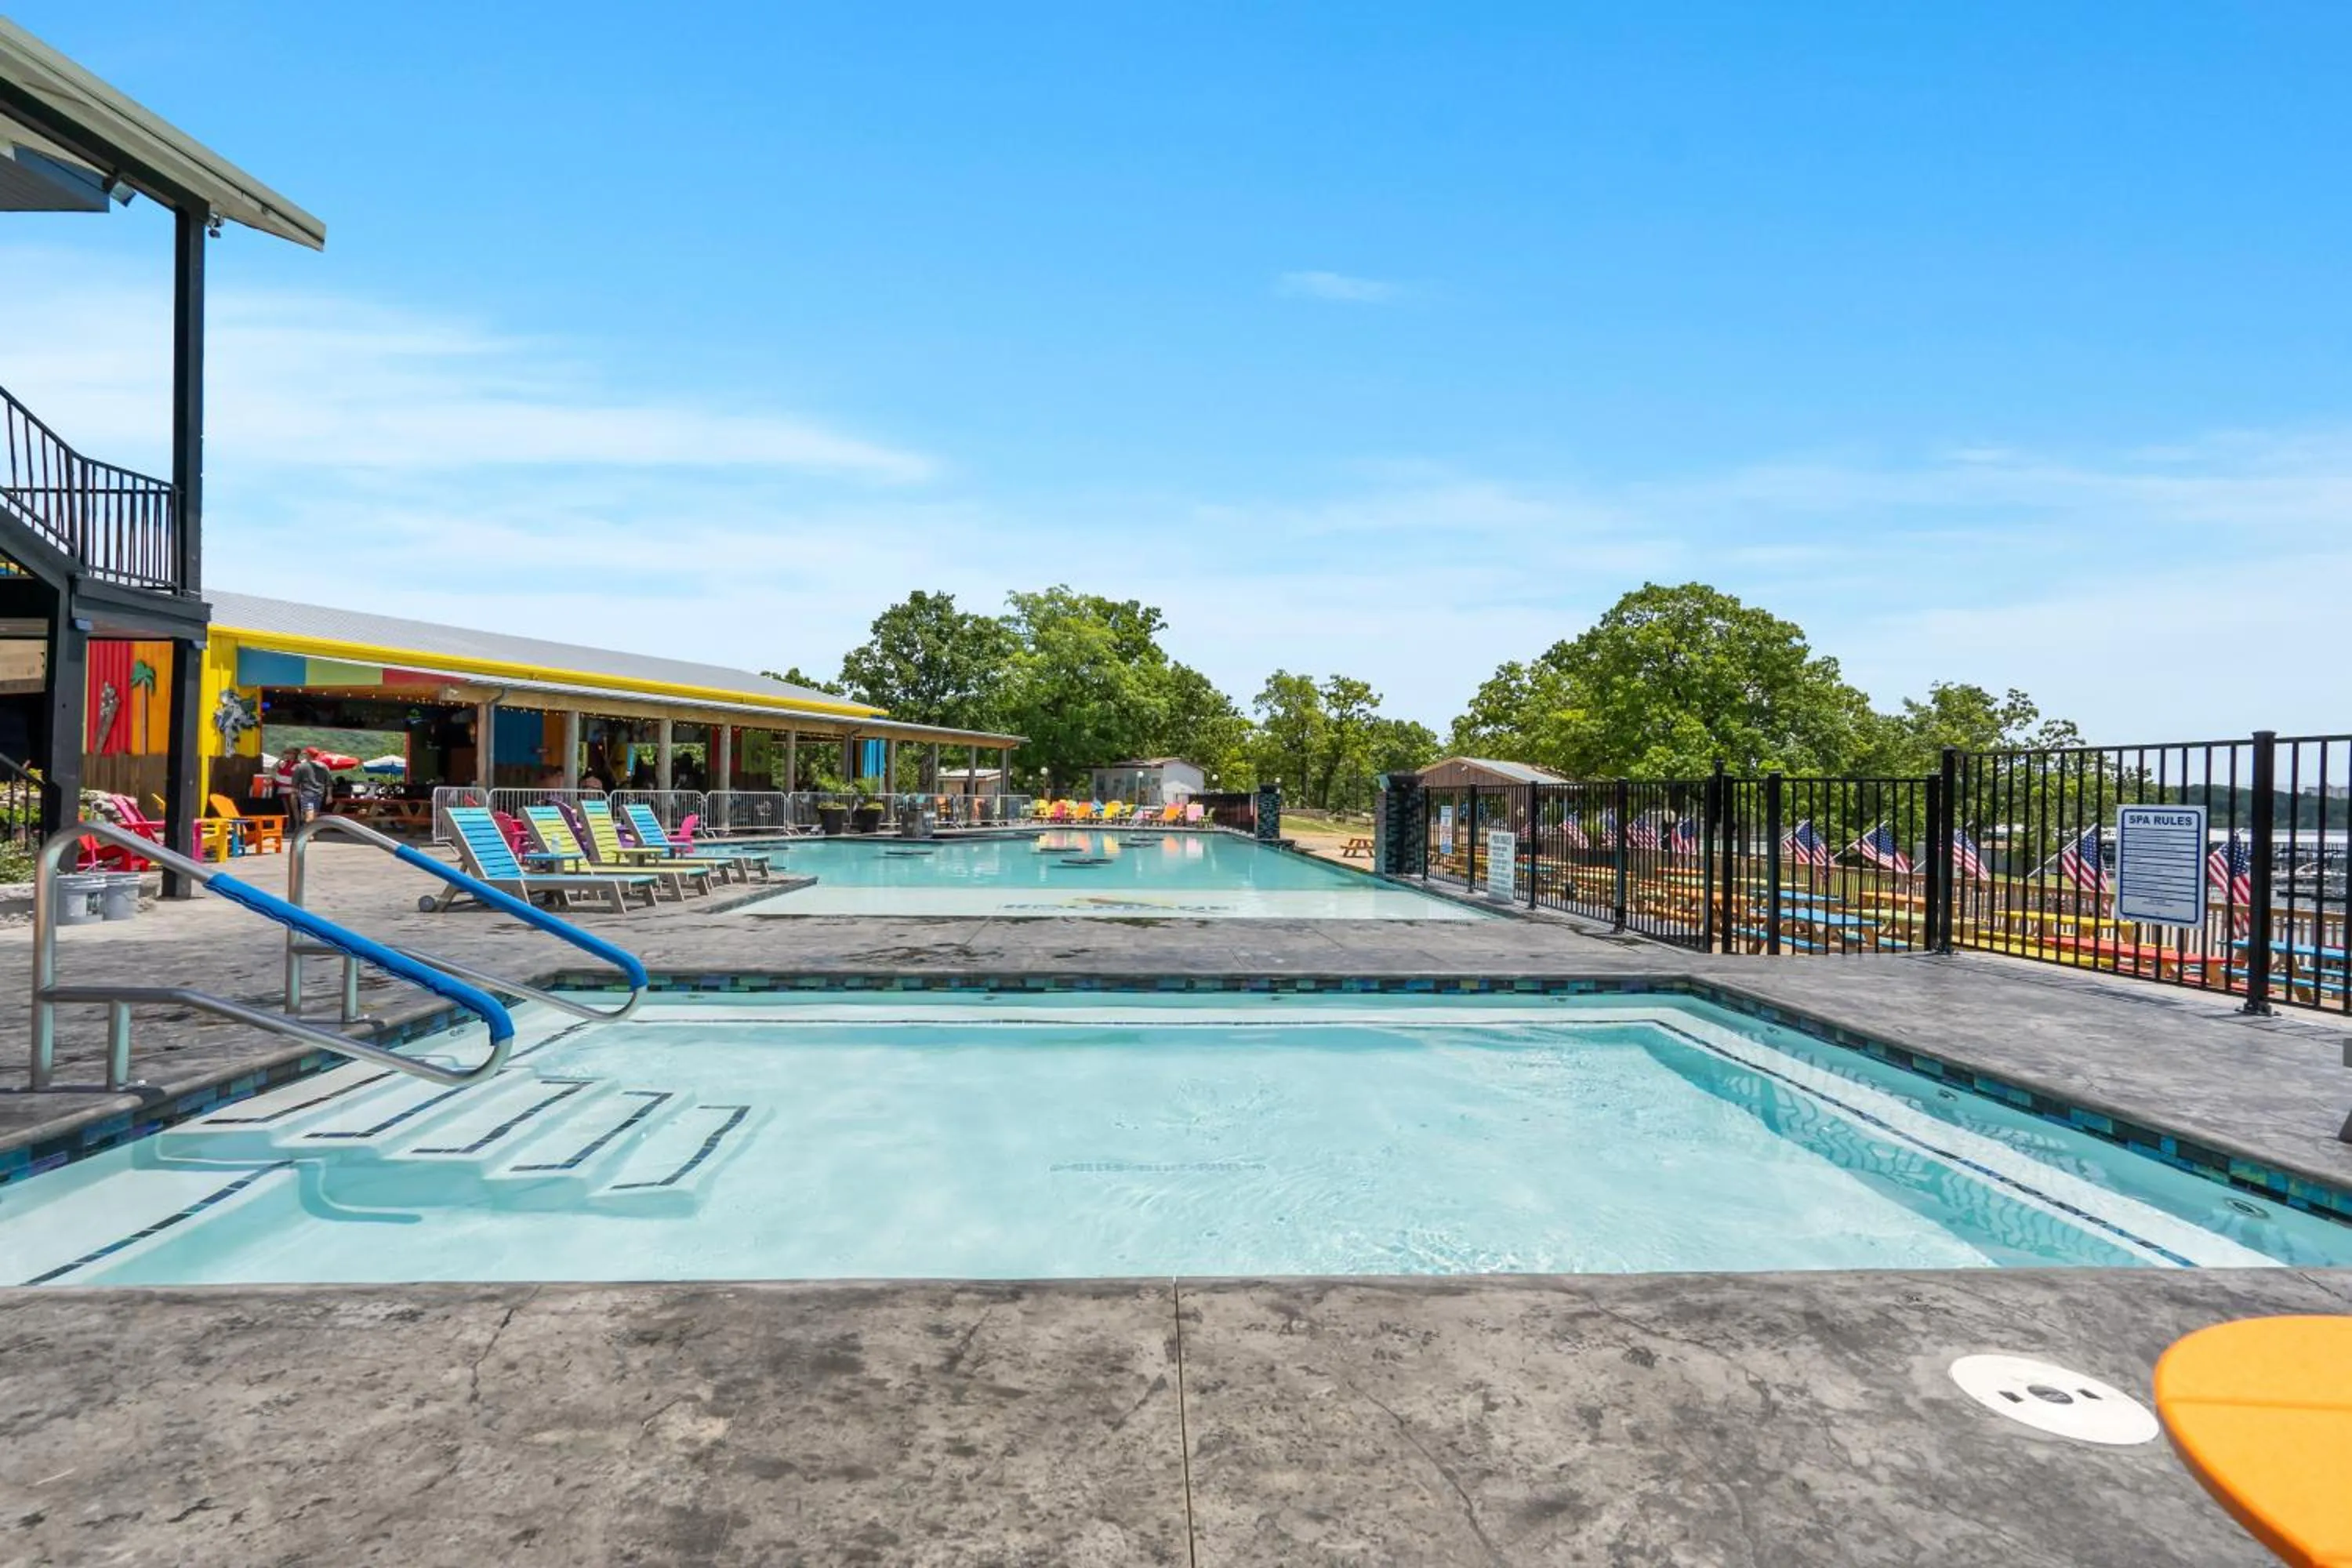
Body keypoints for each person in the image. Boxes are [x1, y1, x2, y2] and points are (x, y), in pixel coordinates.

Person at [290, 747, 328, 826]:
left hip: (307, 794)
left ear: (308, 755)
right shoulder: (324, 766)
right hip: (320, 793)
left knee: (308, 815)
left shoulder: (301, 767)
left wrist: (294, 794)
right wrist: (329, 795)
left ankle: (309, 834)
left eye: (305, 754)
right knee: (314, 814)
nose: (304, 756)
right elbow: (328, 781)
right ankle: (311, 832)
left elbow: (295, 783)